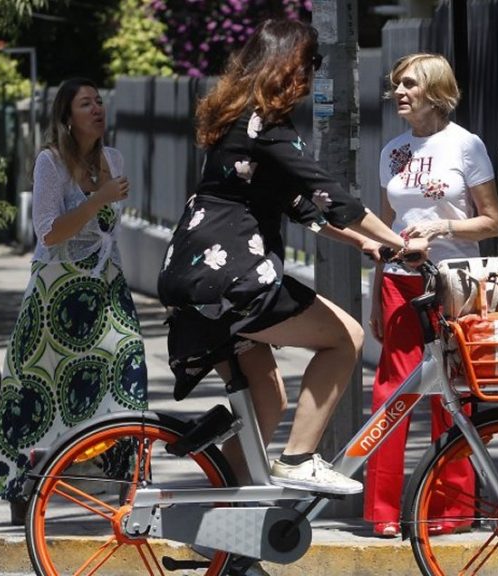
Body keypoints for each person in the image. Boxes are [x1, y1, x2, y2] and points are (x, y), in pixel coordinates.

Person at [157, 19, 427, 495]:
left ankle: (221, 513)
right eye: (311, 63)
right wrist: (401, 244)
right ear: (289, 67)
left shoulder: (234, 118)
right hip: (234, 279)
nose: (313, 73)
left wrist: (363, 242)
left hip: (193, 276)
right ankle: (299, 459)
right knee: (345, 338)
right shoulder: (266, 126)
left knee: (268, 399)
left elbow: (299, 205)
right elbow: (330, 196)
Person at [0, 78, 147, 524]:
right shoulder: (49, 162)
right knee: (34, 387)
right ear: (67, 117)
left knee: (126, 370)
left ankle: (123, 486)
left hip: (105, 285)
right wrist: (98, 199)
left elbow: (107, 232)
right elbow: (48, 232)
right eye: (86, 104)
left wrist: (103, 198)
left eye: (99, 101)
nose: (97, 109)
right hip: (56, 292)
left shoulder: (113, 159)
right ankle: (19, 486)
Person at [363, 53, 498, 538]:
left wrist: (443, 226)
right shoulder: (392, 151)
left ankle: (452, 509)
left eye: (410, 84)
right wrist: (375, 293)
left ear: (436, 91)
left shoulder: (466, 145)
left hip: (453, 282)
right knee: (392, 392)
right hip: (399, 280)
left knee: (451, 392)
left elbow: (493, 221)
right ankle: (383, 511)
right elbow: (385, 228)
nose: (399, 92)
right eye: (397, 85)